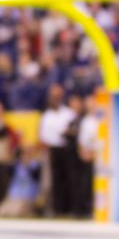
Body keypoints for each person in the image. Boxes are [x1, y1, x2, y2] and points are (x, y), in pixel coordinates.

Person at [38, 85, 76, 216]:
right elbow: (42, 136)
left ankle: (68, 208)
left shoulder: (69, 113)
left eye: (57, 96)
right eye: (53, 96)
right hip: (52, 150)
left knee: (68, 180)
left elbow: (74, 130)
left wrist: (69, 132)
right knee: (52, 181)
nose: (55, 99)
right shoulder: (46, 115)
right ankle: (54, 208)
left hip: (66, 150)